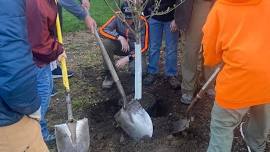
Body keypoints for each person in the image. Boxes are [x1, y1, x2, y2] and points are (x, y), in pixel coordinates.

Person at [203, 0, 270, 151]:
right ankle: (256, 145)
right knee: (262, 119)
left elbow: (210, 55)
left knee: (222, 125)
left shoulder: (220, 9)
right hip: (267, 79)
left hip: (236, 84)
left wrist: (219, 58)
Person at [0, 0, 48, 151]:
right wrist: (31, 107)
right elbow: (12, 58)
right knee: (45, 83)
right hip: (8, 119)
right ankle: (43, 128)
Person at [26, 0, 67, 143]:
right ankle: (32, 134)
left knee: (46, 89)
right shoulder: (37, 4)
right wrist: (57, 50)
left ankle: (41, 132)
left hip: (35, 55)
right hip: (33, 57)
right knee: (43, 93)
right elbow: (39, 42)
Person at [99, 2, 149, 89]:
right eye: (126, 18)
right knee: (106, 44)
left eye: (131, 18)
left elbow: (144, 47)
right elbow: (102, 30)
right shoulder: (117, 17)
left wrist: (128, 58)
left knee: (141, 72)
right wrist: (119, 37)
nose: (128, 21)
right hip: (122, 47)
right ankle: (110, 74)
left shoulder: (142, 22)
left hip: (136, 50)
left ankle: (134, 78)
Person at [174, 0, 215, 104]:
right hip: (196, 4)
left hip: (217, 4)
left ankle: (209, 83)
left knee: (211, 47)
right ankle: (188, 88)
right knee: (191, 48)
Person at [143, 0, 180, 89]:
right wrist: (147, 14)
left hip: (171, 20)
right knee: (154, 47)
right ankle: (152, 71)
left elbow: (180, 3)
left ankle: (171, 74)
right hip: (154, 18)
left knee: (171, 48)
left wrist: (177, 19)